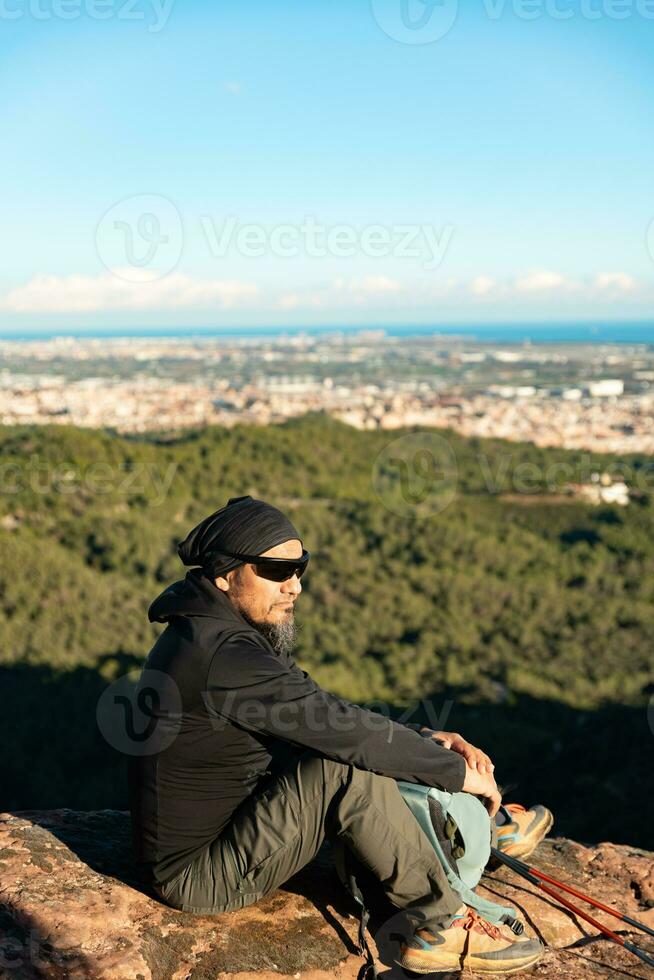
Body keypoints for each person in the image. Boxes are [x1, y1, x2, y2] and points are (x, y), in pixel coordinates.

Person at [128, 495, 551, 975]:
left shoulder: (219, 630)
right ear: (226, 574)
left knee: (352, 754)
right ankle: (440, 923)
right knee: (343, 770)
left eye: (300, 568)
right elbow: (346, 738)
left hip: (238, 823)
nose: (295, 586)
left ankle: (459, 831)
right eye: (275, 570)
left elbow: (325, 716)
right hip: (198, 876)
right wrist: (458, 774)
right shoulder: (223, 656)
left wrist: (427, 737)